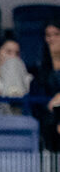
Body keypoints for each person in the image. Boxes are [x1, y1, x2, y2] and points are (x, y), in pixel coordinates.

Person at [36, 18, 60, 150]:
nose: (52, 39)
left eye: (56, 34)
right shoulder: (41, 68)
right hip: (50, 116)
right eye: (48, 35)